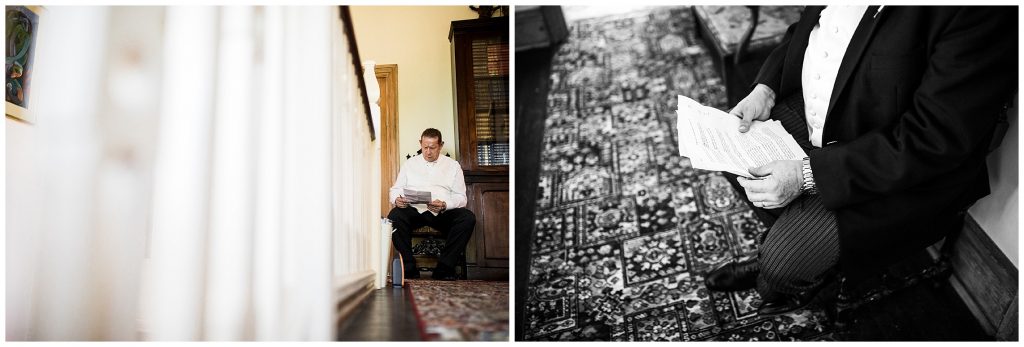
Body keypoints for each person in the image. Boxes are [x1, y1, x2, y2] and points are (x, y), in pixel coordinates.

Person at [704, 6, 1017, 315]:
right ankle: (787, 242)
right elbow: (811, 24)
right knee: (733, 150)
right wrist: (766, 87)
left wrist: (807, 175)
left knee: (781, 265)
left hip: (901, 166)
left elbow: (935, 137)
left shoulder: (980, 11)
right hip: (827, 113)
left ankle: (782, 271)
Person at [388, 128, 475, 280]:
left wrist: (444, 204)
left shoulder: (453, 166)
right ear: (420, 143)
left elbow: (461, 197)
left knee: (467, 218)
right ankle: (408, 268)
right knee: (394, 215)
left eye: (432, 148)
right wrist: (397, 199)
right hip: (415, 210)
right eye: (425, 147)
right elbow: (395, 189)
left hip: (442, 213)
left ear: (440, 145)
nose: (428, 152)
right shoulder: (409, 164)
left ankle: (444, 268)